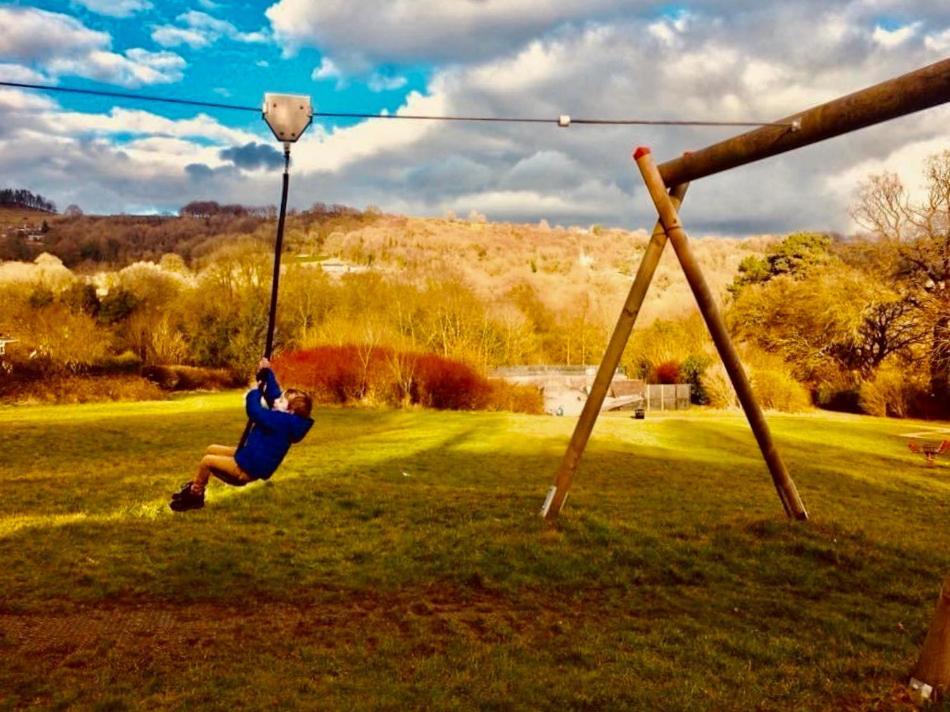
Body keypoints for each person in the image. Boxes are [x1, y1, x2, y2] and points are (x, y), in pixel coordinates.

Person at [170, 358, 313, 512]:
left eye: (281, 400)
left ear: (290, 411)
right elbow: (274, 394)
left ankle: (195, 495)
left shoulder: (282, 422)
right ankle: (194, 487)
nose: (276, 400)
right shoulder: (286, 417)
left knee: (207, 461)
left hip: (244, 469)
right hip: (247, 455)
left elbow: (255, 411)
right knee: (211, 449)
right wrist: (267, 371)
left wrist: (254, 392)